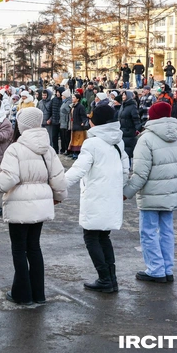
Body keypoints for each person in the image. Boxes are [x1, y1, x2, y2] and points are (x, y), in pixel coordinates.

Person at [0, 107, 67, 305]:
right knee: (34, 247)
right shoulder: (48, 149)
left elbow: (8, 180)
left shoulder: (15, 149)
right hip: (41, 205)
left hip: (19, 205)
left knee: (18, 249)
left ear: (21, 125)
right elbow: (58, 178)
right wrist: (58, 197)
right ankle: (38, 294)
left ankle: (22, 294)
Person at [123, 102, 177, 283]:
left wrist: (126, 192)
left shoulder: (146, 139)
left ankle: (155, 269)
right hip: (170, 193)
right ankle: (167, 268)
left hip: (151, 194)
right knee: (167, 231)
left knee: (149, 232)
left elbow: (141, 174)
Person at [65, 105, 130, 293]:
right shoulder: (118, 141)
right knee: (103, 236)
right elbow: (125, 169)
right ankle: (111, 278)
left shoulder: (92, 143)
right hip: (111, 195)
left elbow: (79, 169)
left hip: (95, 196)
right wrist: (118, 187)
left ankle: (104, 278)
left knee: (91, 236)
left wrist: (58, 185)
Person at [118, 91, 141, 165]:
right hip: (122, 131)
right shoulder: (123, 105)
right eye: (123, 95)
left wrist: (138, 128)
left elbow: (136, 118)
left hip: (129, 131)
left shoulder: (132, 106)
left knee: (128, 151)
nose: (123, 96)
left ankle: (128, 167)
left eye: (125, 95)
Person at [67, 93, 88, 160]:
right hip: (73, 124)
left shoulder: (80, 107)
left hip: (79, 125)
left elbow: (83, 115)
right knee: (73, 139)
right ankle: (73, 152)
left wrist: (83, 122)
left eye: (74, 97)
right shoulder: (73, 106)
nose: (72, 99)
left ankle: (77, 153)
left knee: (79, 140)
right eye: (72, 97)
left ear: (77, 99)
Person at [59, 90, 72, 155]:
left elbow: (69, 111)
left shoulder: (69, 102)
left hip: (66, 122)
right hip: (62, 121)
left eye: (63, 96)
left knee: (66, 137)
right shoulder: (64, 102)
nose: (62, 97)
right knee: (63, 137)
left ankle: (67, 150)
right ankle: (64, 149)